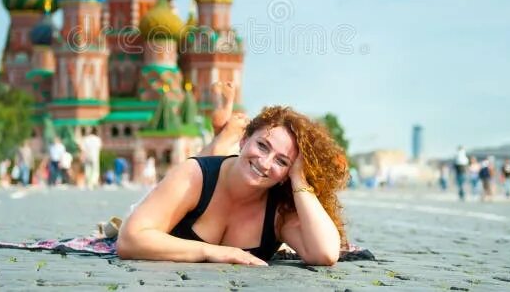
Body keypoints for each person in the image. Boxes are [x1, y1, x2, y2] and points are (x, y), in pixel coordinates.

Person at [117, 82, 348, 266]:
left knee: (222, 158)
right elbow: (130, 239)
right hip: (193, 182)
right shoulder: (194, 175)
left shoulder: (279, 211)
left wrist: (299, 178)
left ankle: (222, 135)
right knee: (207, 158)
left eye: (282, 161)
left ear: (288, 172)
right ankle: (223, 136)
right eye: (262, 146)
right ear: (245, 139)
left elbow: (326, 254)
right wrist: (214, 252)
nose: (266, 163)